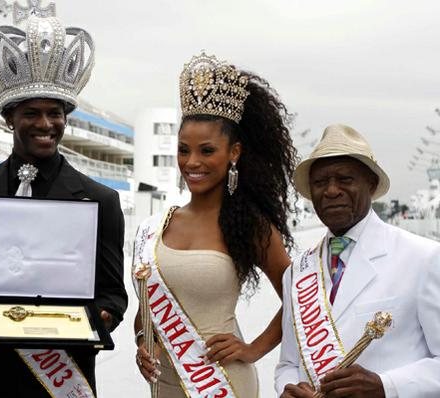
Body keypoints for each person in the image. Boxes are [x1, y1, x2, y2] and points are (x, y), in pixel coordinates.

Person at [0, 8, 127, 398]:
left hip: (62, 376)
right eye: (32, 113)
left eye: (54, 114)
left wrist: (104, 315)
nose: (45, 124)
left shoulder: (99, 200)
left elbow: (113, 294)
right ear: (9, 118)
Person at [133, 52, 296, 397]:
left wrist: (253, 349)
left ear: (233, 152)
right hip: (165, 382)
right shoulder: (159, 227)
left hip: (221, 383)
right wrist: (142, 341)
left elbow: (299, 298)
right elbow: (146, 309)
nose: (192, 162)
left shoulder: (251, 225)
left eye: (207, 151)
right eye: (182, 150)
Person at [276, 124, 440, 398]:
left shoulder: (424, 258)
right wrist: (289, 388)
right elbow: (288, 364)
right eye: (320, 183)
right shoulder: (296, 271)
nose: (331, 191)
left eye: (345, 179)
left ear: (371, 184)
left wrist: (386, 386)